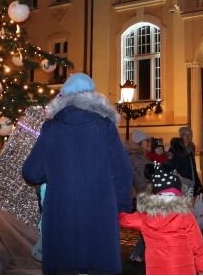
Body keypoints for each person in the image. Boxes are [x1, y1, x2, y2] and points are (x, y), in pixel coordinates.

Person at [22, 73, 133, 274]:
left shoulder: (50, 128)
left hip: (61, 217)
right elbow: (123, 170)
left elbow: (31, 172)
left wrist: (55, 171)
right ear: (91, 95)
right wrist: (123, 204)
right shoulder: (105, 126)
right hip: (99, 218)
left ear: (63, 96)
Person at [118, 162, 203, 275]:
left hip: (156, 270)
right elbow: (197, 244)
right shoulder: (185, 214)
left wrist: (112, 210)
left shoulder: (145, 215)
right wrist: (201, 269)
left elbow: (123, 220)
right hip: (184, 270)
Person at [126, 129, 152, 265]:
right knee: (147, 227)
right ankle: (136, 255)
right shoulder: (136, 156)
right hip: (144, 194)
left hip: (147, 193)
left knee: (147, 227)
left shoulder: (141, 155)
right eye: (147, 140)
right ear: (142, 142)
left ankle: (139, 255)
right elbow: (145, 173)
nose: (148, 143)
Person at [178, 127, 203, 197]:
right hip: (182, 184)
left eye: (189, 135)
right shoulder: (177, 150)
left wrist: (198, 185)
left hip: (191, 183)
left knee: (190, 205)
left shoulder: (191, 151)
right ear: (181, 136)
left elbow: (193, 170)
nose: (187, 137)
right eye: (185, 134)